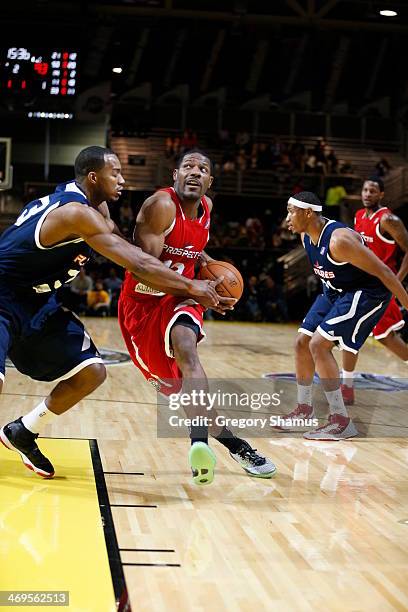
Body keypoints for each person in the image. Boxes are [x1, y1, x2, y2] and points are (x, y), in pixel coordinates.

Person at [0, 146, 225, 478]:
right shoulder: (77, 213)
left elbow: (124, 244)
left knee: (91, 372)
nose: (122, 179)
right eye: (115, 173)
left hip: (36, 303)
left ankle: (23, 431)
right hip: (3, 296)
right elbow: (136, 261)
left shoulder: (94, 205)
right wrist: (194, 288)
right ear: (94, 177)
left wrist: (200, 263)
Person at [118, 149, 276, 485]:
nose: (195, 172)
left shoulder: (206, 209)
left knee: (187, 348)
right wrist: (194, 286)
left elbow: (193, 247)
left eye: (202, 168)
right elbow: (145, 271)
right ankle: (237, 445)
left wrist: (211, 276)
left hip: (181, 298)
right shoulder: (160, 206)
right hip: (143, 306)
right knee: (186, 392)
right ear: (174, 175)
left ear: (210, 181)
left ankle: (198, 441)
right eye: (188, 167)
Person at [284, 191, 408, 440]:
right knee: (302, 342)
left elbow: (383, 271)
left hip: (368, 293)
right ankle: (304, 409)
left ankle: (341, 420)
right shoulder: (306, 236)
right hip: (335, 291)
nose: (287, 217)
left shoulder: (339, 240)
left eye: (291, 210)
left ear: (308, 213)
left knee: (319, 344)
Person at [341, 177, 408, 405]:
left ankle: (346, 386)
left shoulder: (389, 219)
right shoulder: (359, 216)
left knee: (387, 339)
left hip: (382, 287)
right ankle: (346, 387)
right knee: (348, 334)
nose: (367, 194)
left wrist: (395, 282)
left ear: (381, 195)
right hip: (361, 285)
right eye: (365, 190)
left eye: (373, 191)